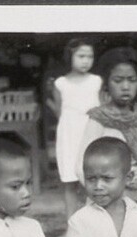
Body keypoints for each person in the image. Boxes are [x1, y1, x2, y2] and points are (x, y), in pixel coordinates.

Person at [76, 46, 137, 210]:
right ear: (107, 84)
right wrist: (104, 193)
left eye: (132, 80)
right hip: (106, 202)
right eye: (118, 80)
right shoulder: (99, 120)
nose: (126, 86)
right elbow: (81, 166)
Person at [50, 38, 103, 219]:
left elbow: (102, 110)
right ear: (70, 56)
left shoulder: (96, 81)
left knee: (93, 179)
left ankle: (95, 222)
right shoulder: (60, 84)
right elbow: (60, 112)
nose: (86, 61)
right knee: (70, 181)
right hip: (69, 135)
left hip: (92, 133)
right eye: (81, 56)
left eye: (90, 56)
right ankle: (71, 224)